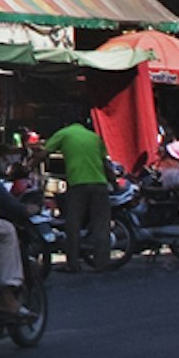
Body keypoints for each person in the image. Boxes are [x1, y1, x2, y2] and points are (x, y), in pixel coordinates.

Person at [43, 110, 115, 273]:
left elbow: (43, 154)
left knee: (73, 224)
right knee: (101, 225)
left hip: (78, 184)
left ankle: (73, 263)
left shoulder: (64, 134)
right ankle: (102, 263)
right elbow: (106, 164)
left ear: (66, 123)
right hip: (99, 183)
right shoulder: (94, 137)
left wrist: (28, 166)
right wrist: (114, 183)